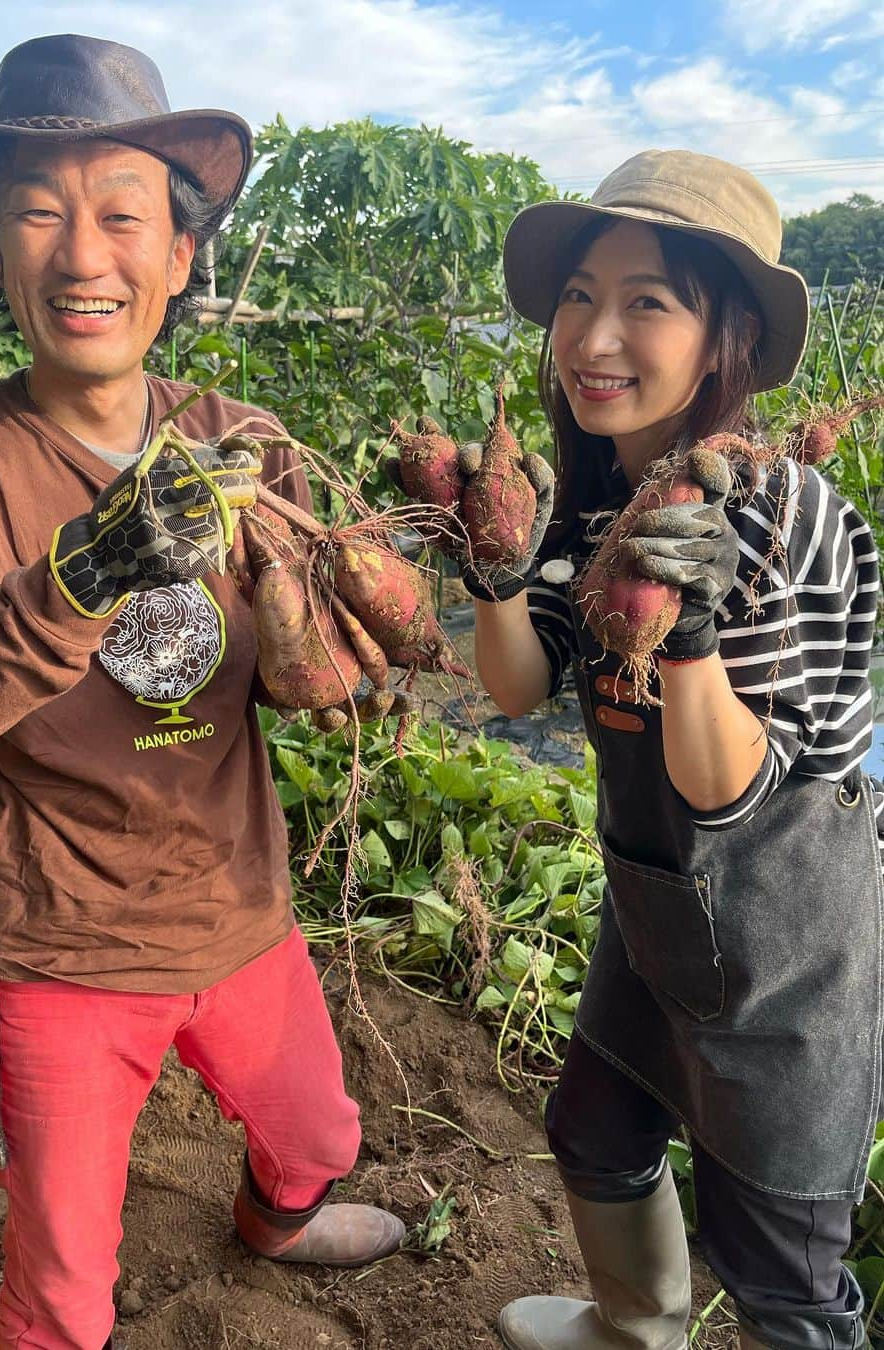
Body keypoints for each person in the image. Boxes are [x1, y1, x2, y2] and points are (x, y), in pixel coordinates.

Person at [0, 34, 403, 1350]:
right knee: (64, 1294)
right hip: (58, 946)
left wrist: (381, 642)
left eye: (122, 214)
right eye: (39, 211)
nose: (85, 254)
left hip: (238, 909)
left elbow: (314, 654)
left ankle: (280, 1217)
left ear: (180, 256)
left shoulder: (242, 444)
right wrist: (84, 569)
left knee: (323, 1135)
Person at [405, 149, 882, 1349]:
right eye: (578, 294)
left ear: (723, 331)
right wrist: (500, 566)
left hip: (780, 933)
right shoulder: (597, 488)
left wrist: (695, 627)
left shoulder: (784, 510)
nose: (593, 334)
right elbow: (516, 688)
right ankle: (635, 1332)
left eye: (645, 301)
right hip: (656, 895)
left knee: (781, 1259)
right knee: (596, 1129)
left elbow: (727, 784)